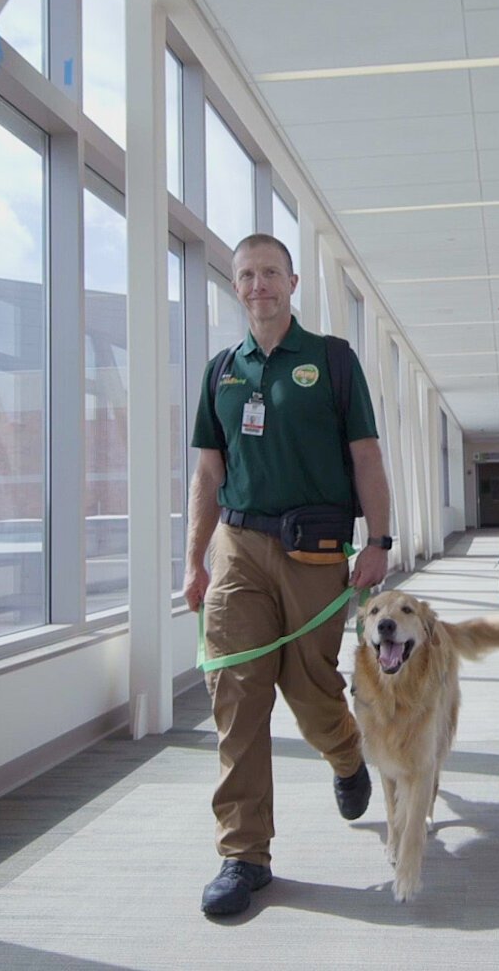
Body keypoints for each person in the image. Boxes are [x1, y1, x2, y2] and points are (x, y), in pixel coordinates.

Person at [185, 233, 395, 916]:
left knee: (309, 690)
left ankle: (345, 756)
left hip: (316, 551)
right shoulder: (222, 370)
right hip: (239, 547)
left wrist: (379, 541)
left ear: (293, 281)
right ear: (235, 285)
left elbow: (365, 456)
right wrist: (195, 560)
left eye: (269, 272)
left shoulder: (332, 361)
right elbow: (208, 473)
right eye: (246, 274)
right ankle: (243, 855)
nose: (258, 285)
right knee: (237, 693)